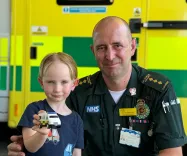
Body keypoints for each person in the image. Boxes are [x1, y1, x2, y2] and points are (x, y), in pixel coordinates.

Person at [8, 16, 186, 156]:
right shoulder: (78, 93)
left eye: (117, 46)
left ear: (132, 47)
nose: (109, 55)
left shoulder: (158, 90)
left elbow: (172, 151)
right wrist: (25, 146)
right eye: (101, 48)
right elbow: (55, 137)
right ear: (93, 51)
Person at [15, 52, 84, 156]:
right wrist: (41, 134)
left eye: (64, 82)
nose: (57, 89)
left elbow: (76, 152)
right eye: (51, 82)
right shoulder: (35, 110)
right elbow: (30, 147)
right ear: (41, 83)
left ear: (74, 84)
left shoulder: (77, 120)